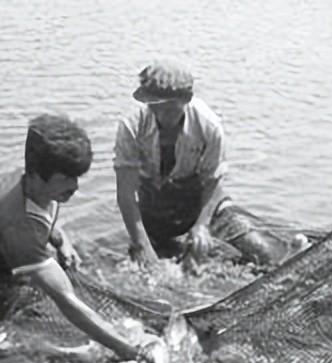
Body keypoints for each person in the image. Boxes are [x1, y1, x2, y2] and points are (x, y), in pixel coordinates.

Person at [0, 114, 156, 363]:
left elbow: (43, 211)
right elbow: (66, 300)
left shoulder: (30, 182)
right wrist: (127, 349)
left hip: (16, 261)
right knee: (48, 347)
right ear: (36, 174)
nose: (74, 187)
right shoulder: (18, 228)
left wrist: (61, 240)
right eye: (66, 179)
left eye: (77, 177)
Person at [114, 60, 290, 267]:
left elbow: (213, 181)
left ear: (186, 100)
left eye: (170, 109)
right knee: (146, 268)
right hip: (154, 209)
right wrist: (142, 244)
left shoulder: (209, 125)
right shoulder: (131, 126)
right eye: (155, 108)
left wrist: (201, 226)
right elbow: (126, 194)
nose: (163, 116)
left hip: (202, 202)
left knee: (264, 255)